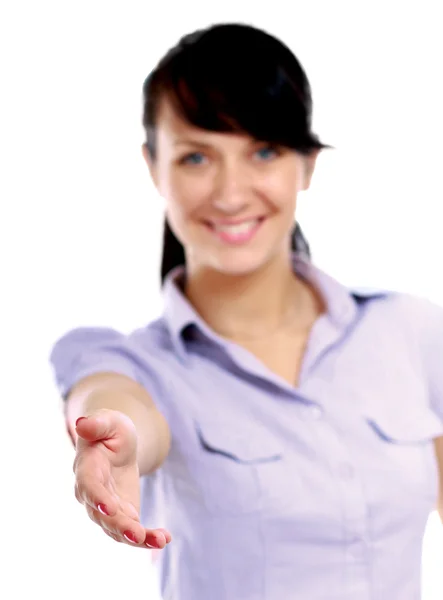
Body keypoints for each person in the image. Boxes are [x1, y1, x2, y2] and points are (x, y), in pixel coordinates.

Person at [50, 22, 443, 600]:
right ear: (152, 166)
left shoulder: (411, 330)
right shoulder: (128, 360)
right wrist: (116, 439)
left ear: (307, 164)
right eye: (196, 158)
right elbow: (113, 404)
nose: (232, 194)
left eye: (264, 151)